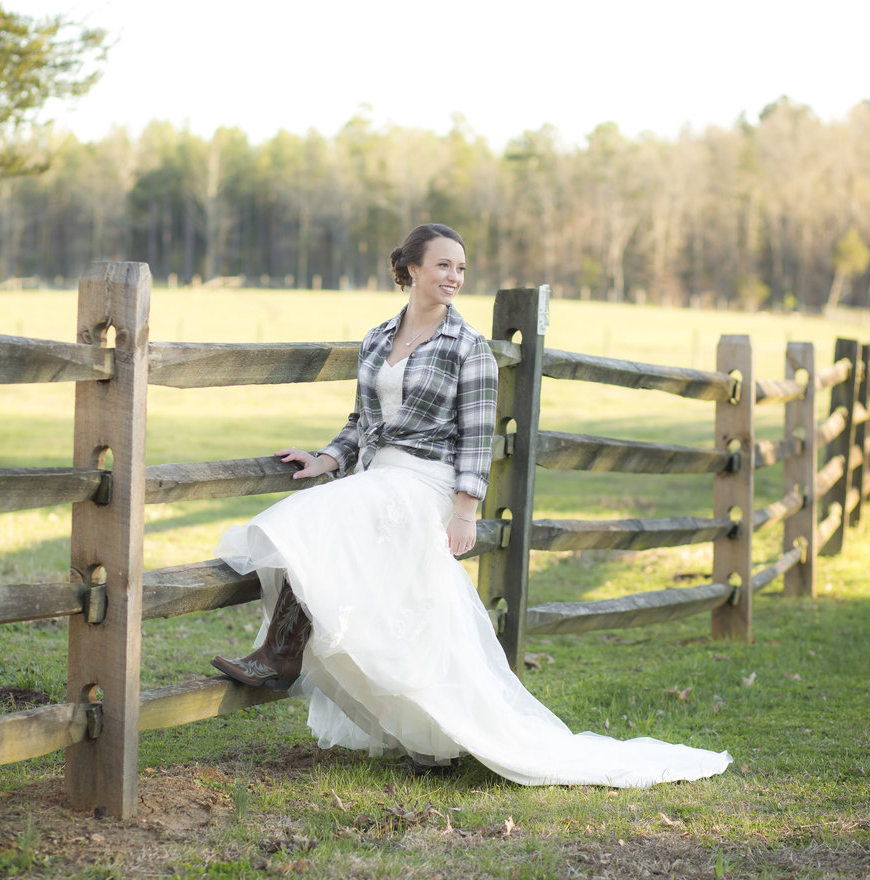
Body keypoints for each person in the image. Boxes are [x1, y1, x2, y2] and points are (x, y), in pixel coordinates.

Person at [212, 223, 731, 787]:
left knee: (311, 523)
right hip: (377, 477)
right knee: (379, 588)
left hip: (427, 483)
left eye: (460, 268)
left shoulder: (468, 347)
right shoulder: (378, 337)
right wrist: (323, 460)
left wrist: (465, 510)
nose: (454, 277)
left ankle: (278, 654)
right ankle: (411, 721)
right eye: (443, 266)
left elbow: (477, 437)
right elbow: (359, 423)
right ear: (411, 269)